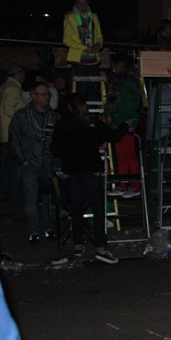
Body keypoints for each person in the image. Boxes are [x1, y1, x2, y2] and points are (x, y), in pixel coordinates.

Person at [51, 94, 128, 263]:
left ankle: (78, 247)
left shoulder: (62, 124)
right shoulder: (92, 123)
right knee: (98, 210)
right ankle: (101, 248)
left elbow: (55, 150)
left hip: (72, 172)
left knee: (76, 210)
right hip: (91, 171)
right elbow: (114, 136)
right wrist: (124, 125)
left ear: (69, 107)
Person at [8, 81, 61, 243]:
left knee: (48, 198)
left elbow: (61, 140)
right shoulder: (22, 115)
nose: (47, 97)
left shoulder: (54, 115)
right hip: (30, 163)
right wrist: (23, 160)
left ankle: (48, 228)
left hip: (47, 161)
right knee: (31, 199)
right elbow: (14, 140)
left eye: (48, 94)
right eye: (44, 94)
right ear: (33, 96)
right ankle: (33, 231)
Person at [104, 55, 142, 199]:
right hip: (119, 122)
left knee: (129, 154)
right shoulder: (118, 83)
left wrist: (116, 116)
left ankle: (134, 185)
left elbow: (131, 104)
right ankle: (123, 184)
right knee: (120, 155)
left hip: (126, 123)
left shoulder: (128, 83)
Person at [63, 0, 103, 101]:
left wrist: (98, 44)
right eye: (80, 4)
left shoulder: (93, 17)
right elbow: (66, 40)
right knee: (81, 87)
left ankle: (93, 115)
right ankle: (80, 113)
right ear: (76, 4)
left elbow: (99, 36)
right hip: (79, 59)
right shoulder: (70, 18)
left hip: (93, 58)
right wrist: (84, 48)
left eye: (85, 4)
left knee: (93, 87)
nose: (83, 6)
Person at [0, 64, 26, 203]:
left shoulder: (6, 86)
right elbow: (8, 108)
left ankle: (1, 192)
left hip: (6, 132)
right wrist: (22, 119)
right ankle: (14, 195)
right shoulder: (13, 88)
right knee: (15, 166)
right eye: (23, 73)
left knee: (11, 165)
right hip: (12, 133)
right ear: (18, 74)